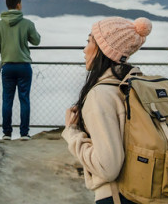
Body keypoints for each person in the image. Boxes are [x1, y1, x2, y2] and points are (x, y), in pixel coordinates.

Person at [62, 17, 153, 204]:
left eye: (89, 41)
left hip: (116, 196)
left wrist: (72, 133)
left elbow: (108, 168)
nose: (85, 49)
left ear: (103, 50)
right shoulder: (134, 84)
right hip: (141, 190)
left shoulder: (100, 96)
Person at [0, 0, 41, 140]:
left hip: (7, 67)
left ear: (7, 5)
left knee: (7, 100)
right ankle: (24, 133)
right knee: (24, 99)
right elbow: (36, 41)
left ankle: (6, 133)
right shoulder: (27, 23)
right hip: (24, 66)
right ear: (19, 4)